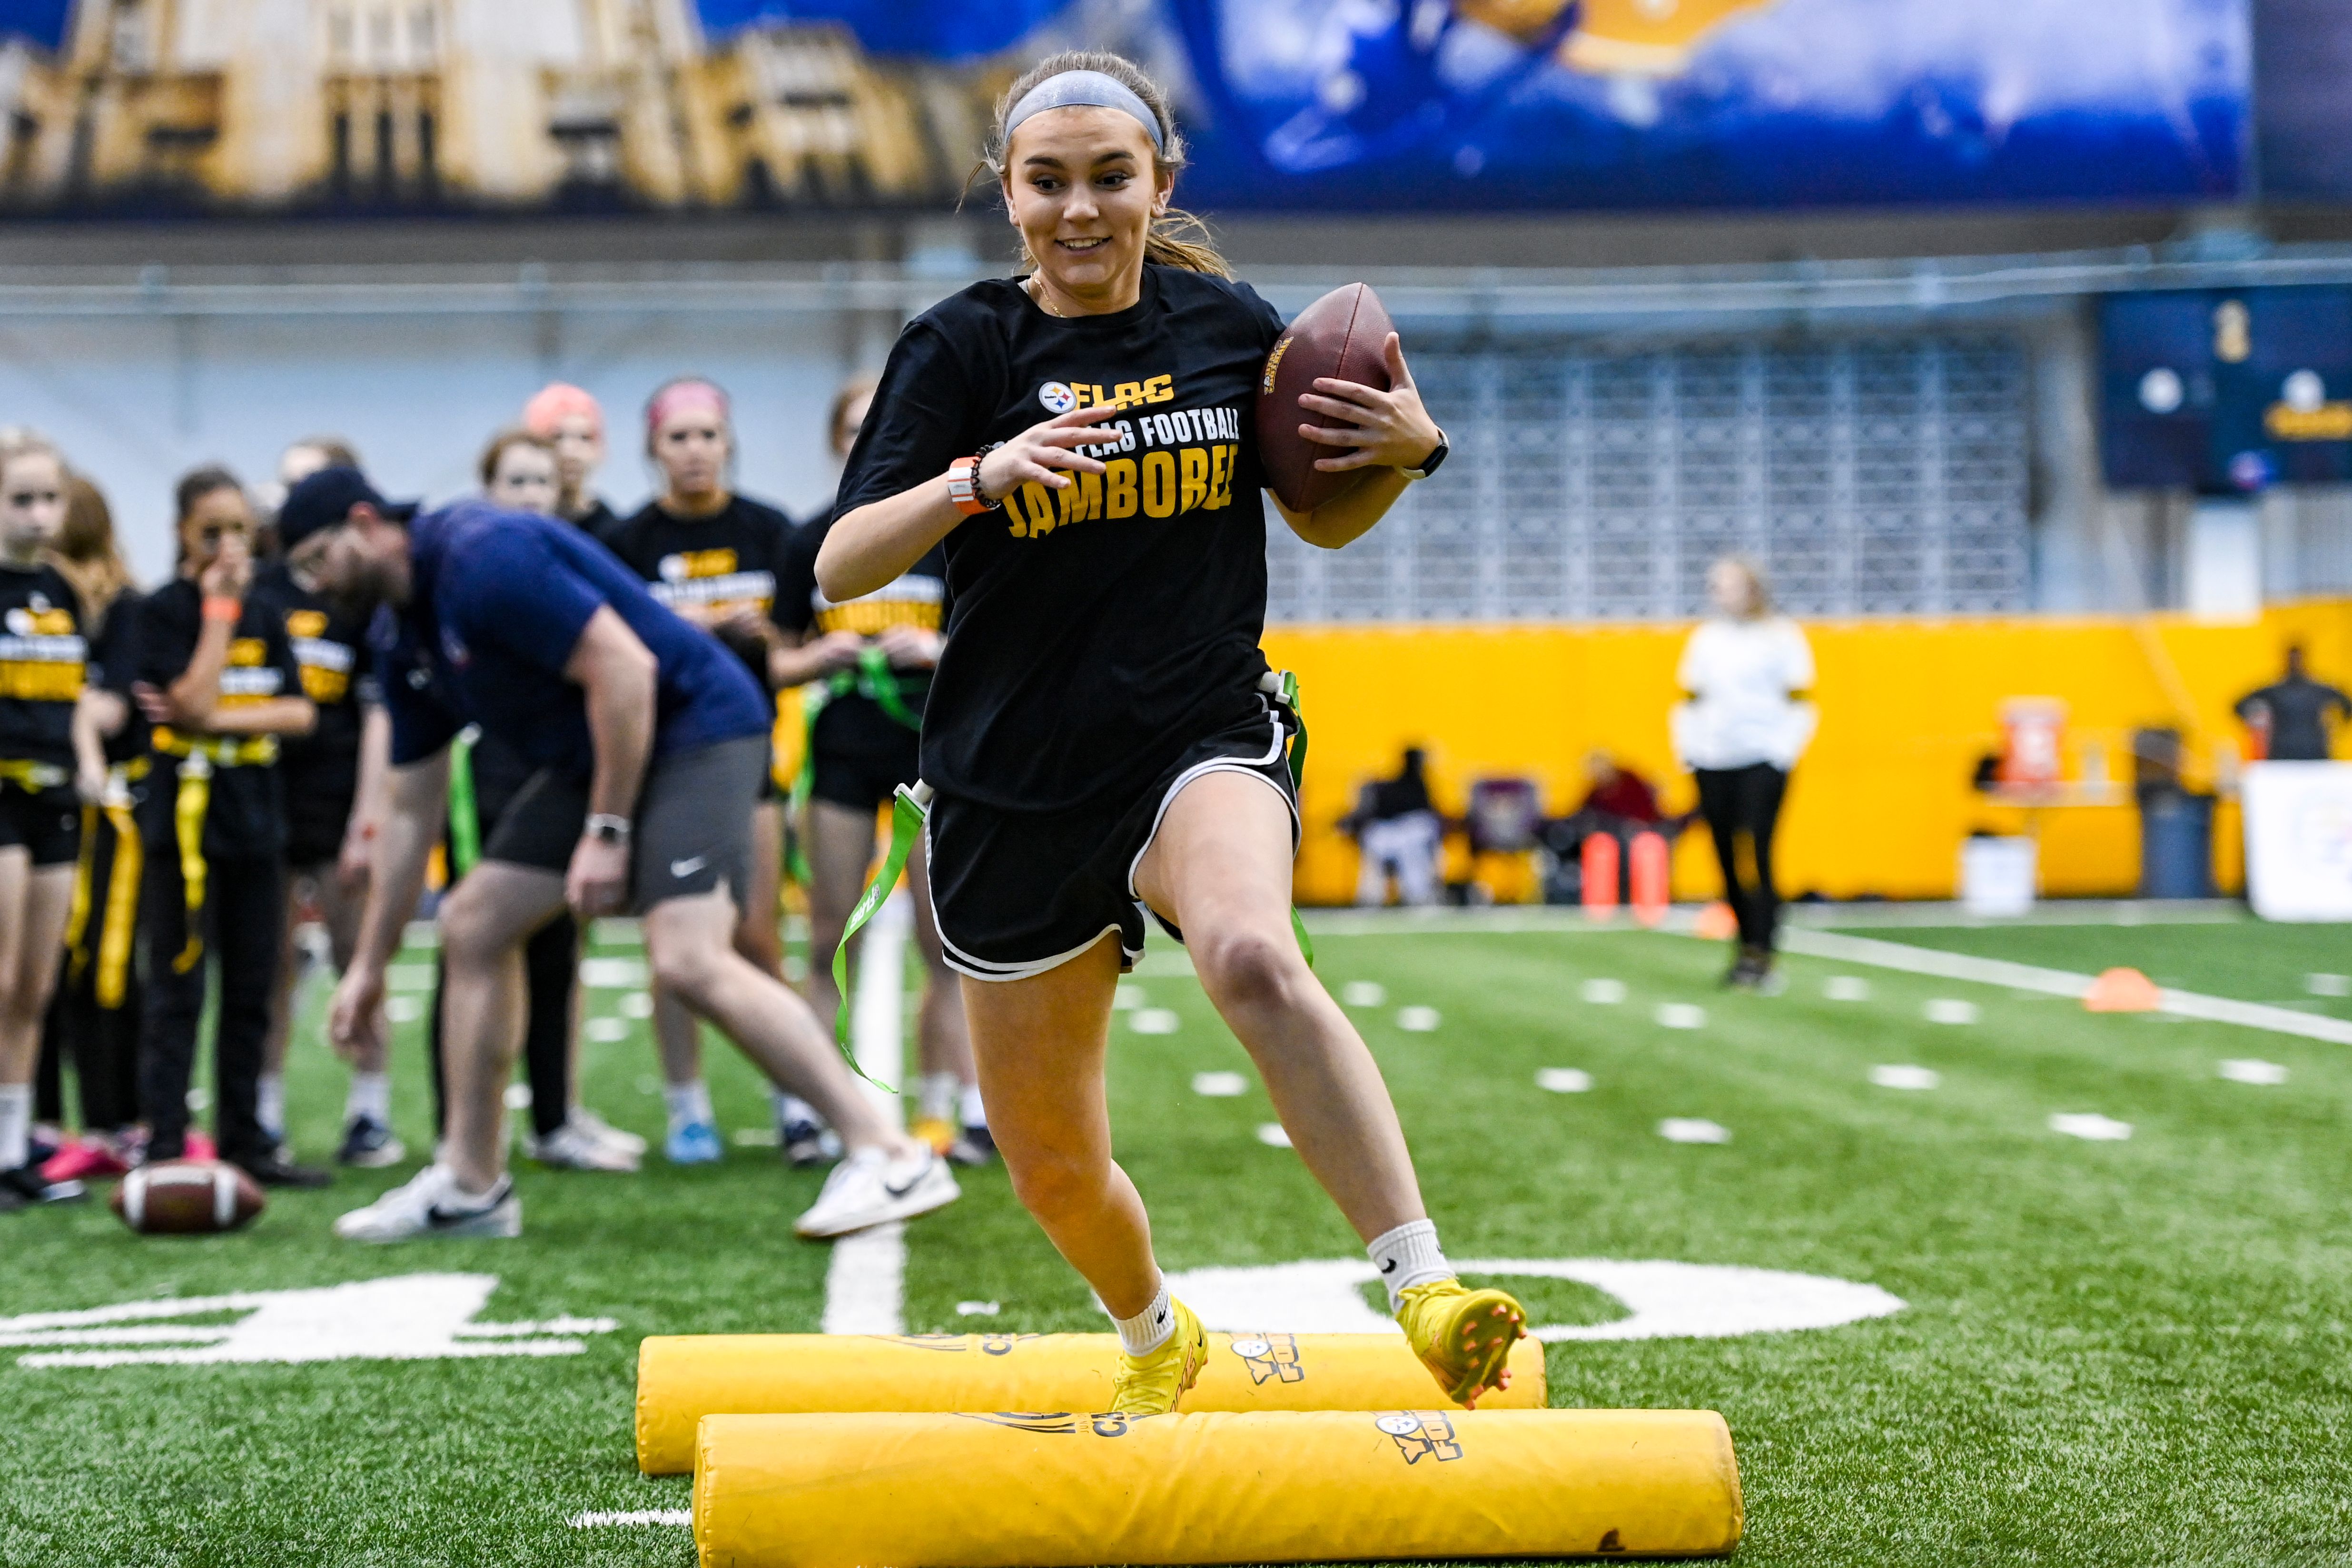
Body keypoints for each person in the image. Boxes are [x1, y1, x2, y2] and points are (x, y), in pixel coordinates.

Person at [817, 51, 1521, 1415]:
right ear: (1005, 192)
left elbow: (1317, 516)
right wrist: (973, 478)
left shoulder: (1223, 324)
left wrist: (1406, 449)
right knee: (1052, 1168)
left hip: (1196, 729)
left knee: (1253, 949)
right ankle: (1150, 1330)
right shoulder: (959, 345)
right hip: (1008, 778)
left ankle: (1423, 1280)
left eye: (1108, 178)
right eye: (1047, 182)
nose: (1078, 210)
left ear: (1161, 182)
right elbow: (841, 563)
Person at [300, 482, 957, 1242]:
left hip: (696, 724)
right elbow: (410, 813)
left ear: (364, 521)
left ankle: (889, 1151)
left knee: (687, 956)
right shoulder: (401, 635)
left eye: (319, 559)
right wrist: (370, 967)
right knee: (474, 921)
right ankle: (470, 1183)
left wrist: (607, 832)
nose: (315, 584)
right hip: (600, 750)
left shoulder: (481, 555)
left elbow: (626, 670)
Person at [775, 375, 985, 1166]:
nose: (870, 438)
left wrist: (937, 650)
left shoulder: (954, 529)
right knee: (830, 936)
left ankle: (946, 1112)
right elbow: (772, 656)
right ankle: (815, 1107)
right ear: (838, 443)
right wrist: (810, 658)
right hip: (840, 755)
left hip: (933, 755)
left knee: (944, 943)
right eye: (855, 428)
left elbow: (997, 643)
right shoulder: (811, 540)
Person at [424, 435, 641, 1173]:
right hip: (486, 773)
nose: (529, 494)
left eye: (542, 481)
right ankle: (455, 1130)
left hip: (561, 770)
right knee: (471, 936)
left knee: (558, 951)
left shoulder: (570, 568)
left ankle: (554, 1117)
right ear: (487, 489)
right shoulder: (475, 573)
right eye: (514, 480)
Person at [600, 378, 802, 1166]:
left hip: (747, 751)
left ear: (729, 442)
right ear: (654, 449)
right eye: (678, 437)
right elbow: (615, 641)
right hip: (662, 756)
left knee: (757, 935)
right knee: (673, 944)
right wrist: (706, 625)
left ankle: (793, 1098)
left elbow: (793, 648)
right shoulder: (628, 540)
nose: (694, 451)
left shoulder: (772, 531)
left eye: (707, 435)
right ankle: (688, 1107)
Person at [123, 467, 327, 1186]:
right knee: (178, 989)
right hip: (181, 832)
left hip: (256, 826)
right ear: (182, 533)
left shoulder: (268, 612)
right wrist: (216, 615)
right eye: (212, 531)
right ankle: (168, 1144)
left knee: (251, 988)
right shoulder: (161, 612)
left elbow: (299, 713)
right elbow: (187, 694)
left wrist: (216, 720)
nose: (229, 546)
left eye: (239, 530)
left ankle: (246, 1141)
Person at [251, 472, 398, 1167]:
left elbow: (378, 712)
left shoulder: (362, 602)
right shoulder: (262, 593)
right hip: (268, 801)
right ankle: (266, 1113)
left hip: (341, 799)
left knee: (357, 956)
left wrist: (367, 817)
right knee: (270, 966)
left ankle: (370, 1110)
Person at [40, 475, 149, 1182]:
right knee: (35, 970)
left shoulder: (121, 606)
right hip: (38, 799)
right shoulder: (26, 595)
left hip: (106, 805)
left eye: (46, 503)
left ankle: (116, 1118)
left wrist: (74, 729)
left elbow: (109, 704)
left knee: (103, 965)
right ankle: (40, 1121)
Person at [0, 441, 93, 1210]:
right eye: (20, 499)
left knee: (35, 986)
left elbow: (80, 701)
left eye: (47, 499)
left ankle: (13, 1151)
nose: (37, 514)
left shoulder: (62, 589)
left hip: (56, 796)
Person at [1672, 555, 1814, 989]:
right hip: (1714, 759)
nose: (1717, 594)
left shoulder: (1781, 636)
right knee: (1725, 857)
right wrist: (1690, 751)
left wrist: (1781, 753)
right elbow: (1690, 699)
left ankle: (1764, 951)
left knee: (1760, 852)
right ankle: (1743, 949)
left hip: (1761, 757)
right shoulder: (1706, 639)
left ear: (1752, 588)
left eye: (1726, 585)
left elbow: (1801, 699)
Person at [1344, 747, 1443, 907]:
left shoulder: (1419, 787)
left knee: (1413, 848)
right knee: (1385, 849)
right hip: (1387, 838)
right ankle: (1373, 898)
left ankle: (1418, 896)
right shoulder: (1395, 787)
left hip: (1412, 839)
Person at [524, 383, 624, 540]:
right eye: (557, 437)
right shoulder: (520, 521)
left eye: (585, 438)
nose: (571, 452)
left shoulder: (612, 529)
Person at [2233, 646, 2350, 762]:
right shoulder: (2278, 691)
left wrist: (2336, 730)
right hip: (2291, 750)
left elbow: (2347, 705)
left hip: (2307, 750)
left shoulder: (2316, 690)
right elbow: (2239, 706)